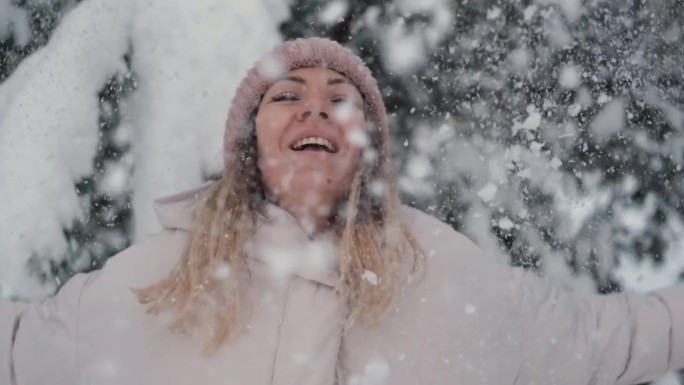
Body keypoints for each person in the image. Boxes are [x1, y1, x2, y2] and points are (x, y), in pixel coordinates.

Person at [1, 37, 683, 385]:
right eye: (286, 94)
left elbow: (605, 339)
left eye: (341, 97)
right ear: (249, 143)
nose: (316, 106)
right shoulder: (151, 284)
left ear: (367, 148)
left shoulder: (447, 275)